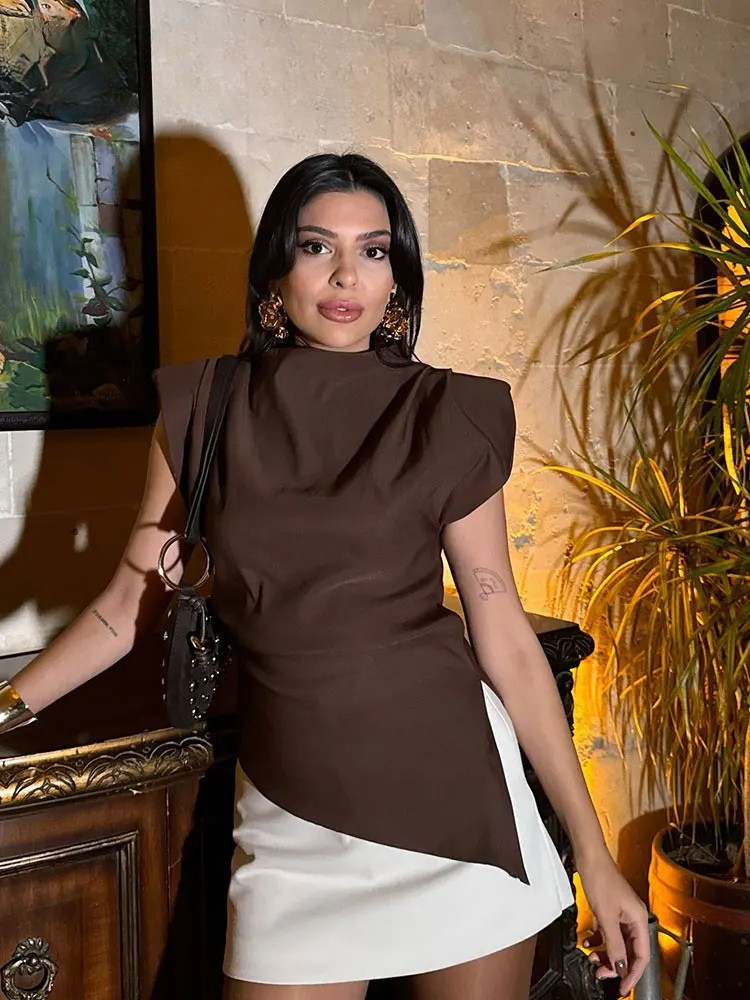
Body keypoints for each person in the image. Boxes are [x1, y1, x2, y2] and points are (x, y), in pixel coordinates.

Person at [0, 153, 649, 1000]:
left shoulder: (447, 412)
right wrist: (5, 708)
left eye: (373, 251)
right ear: (276, 269)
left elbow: (504, 637)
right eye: (317, 247)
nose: (347, 276)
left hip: (455, 803)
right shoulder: (203, 405)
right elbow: (123, 610)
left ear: (398, 278)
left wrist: (594, 854)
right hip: (292, 815)